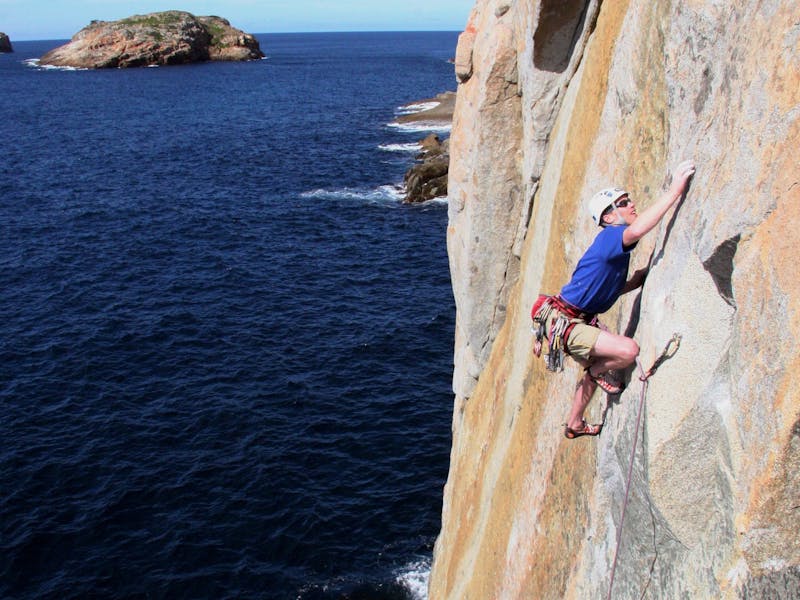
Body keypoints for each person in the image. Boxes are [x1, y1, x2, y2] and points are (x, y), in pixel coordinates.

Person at [531, 160, 696, 439]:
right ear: (608, 217)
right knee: (626, 351)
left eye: (628, 200)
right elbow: (639, 229)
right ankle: (596, 372)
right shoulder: (612, 237)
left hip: (564, 318)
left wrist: (633, 282)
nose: (631, 204)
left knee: (599, 363)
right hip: (566, 321)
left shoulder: (611, 247)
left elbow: (602, 288)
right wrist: (675, 192)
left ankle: (574, 422)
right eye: (623, 203)